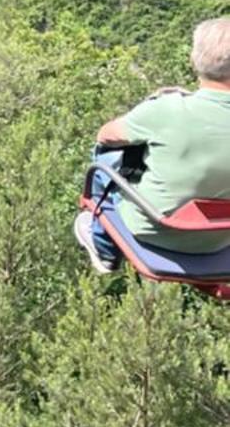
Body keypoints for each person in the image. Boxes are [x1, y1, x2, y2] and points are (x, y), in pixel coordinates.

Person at [75, 16, 230, 272]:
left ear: (194, 60)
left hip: (153, 229)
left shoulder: (167, 110)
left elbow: (106, 135)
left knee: (107, 156)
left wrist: (151, 106)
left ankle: (104, 246)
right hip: (219, 239)